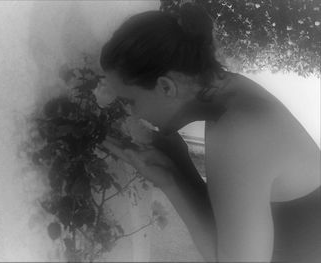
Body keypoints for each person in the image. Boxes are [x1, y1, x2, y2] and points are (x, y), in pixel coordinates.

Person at [99, 3, 321, 262]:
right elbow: (228, 228)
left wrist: (171, 180)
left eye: (130, 101)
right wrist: (176, 167)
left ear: (166, 87)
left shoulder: (238, 131)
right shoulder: (231, 96)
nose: (132, 114)